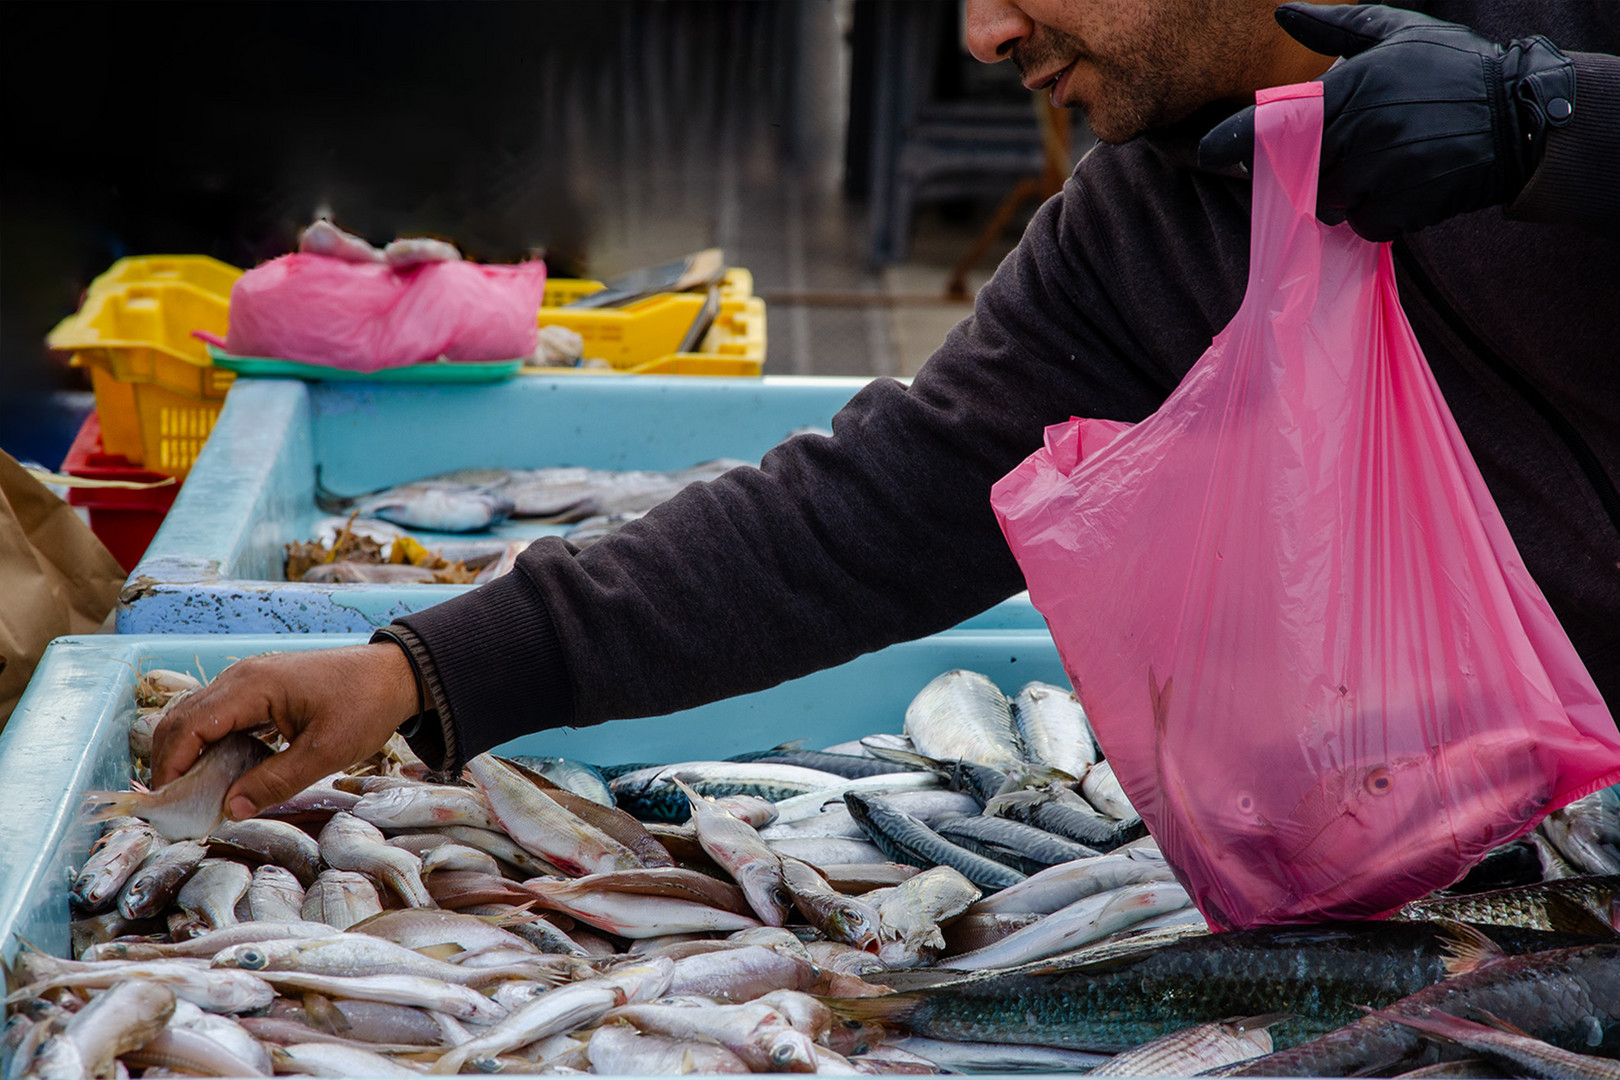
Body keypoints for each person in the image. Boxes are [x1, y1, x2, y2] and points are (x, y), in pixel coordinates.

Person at [154, 1, 1619, 824]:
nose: (986, 29)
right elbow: (872, 513)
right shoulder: (1139, 232)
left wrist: (1552, 121)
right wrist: (420, 673)